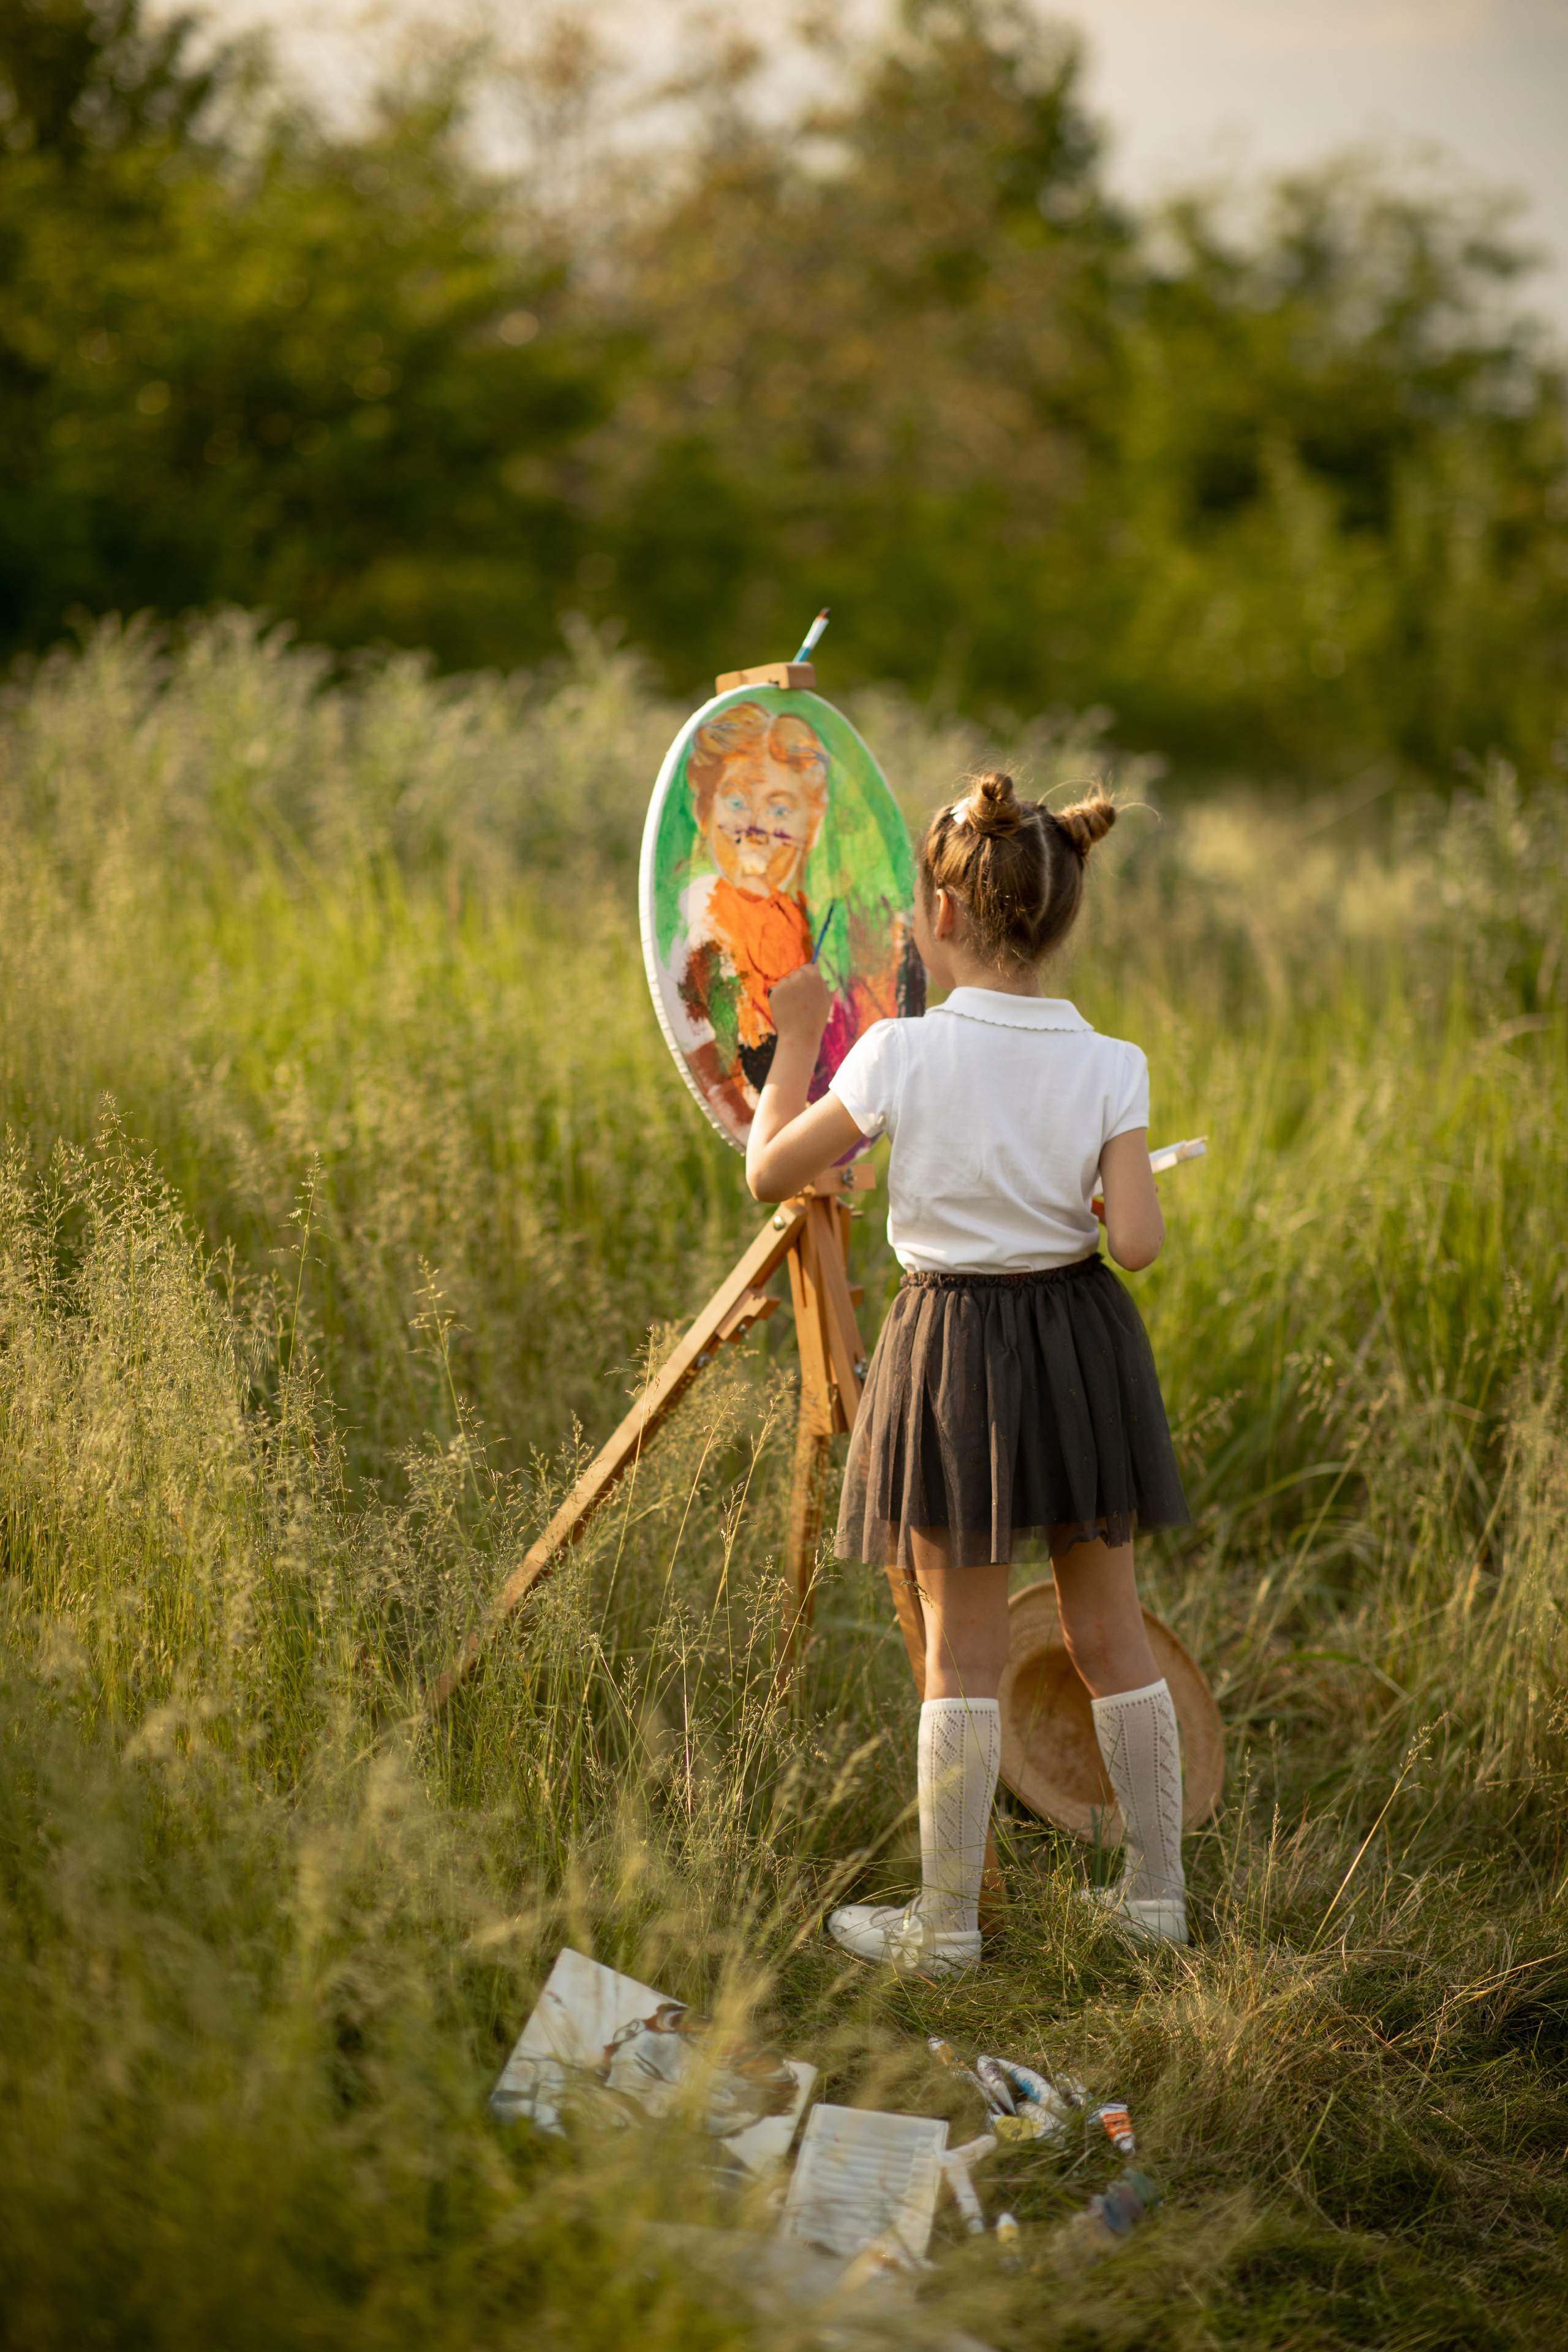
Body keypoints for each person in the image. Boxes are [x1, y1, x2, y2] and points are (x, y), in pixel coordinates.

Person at [745, 771, 1192, 1973]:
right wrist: (1098, 1192)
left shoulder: (892, 1052)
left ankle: (942, 1928)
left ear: (940, 921)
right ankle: (1156, 1899)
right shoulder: (1113, 1061)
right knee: (1110, 1634)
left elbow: (771, 1168)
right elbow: (1137, 1244)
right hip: (1080, 1345)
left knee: (964, 1653)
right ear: (1058, 921)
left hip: (953, 1353)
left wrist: (793, 1040)